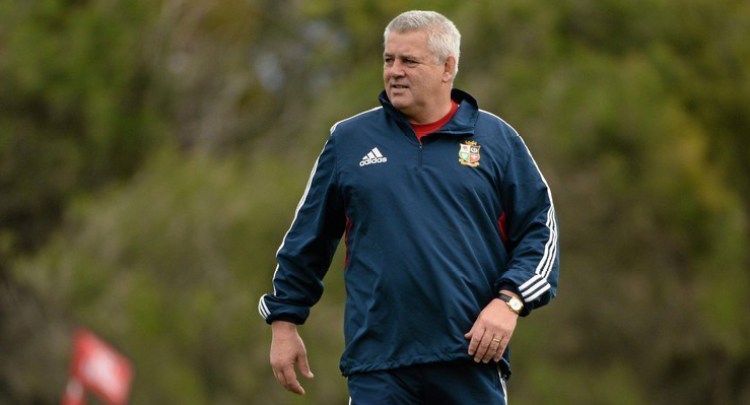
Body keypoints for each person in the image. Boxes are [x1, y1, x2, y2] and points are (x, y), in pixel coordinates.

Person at [258, 10, 559, 405]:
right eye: (389, 59)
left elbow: (540, 232)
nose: (394, 71)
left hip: (470, 356)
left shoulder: (496, 140)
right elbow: (306, 238)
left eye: (409, 61)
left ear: (447, 67)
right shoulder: (349, 140)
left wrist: (510, 302)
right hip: (378, 364)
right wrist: (284, 321)